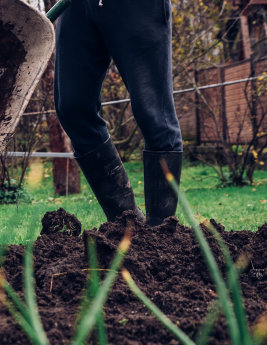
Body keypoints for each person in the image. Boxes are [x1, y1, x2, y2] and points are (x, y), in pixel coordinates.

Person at [54, 0, 183, 226]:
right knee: (72, 106)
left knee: (152, 111)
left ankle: (162, 236)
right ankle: (126, 222)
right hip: (75, 5)